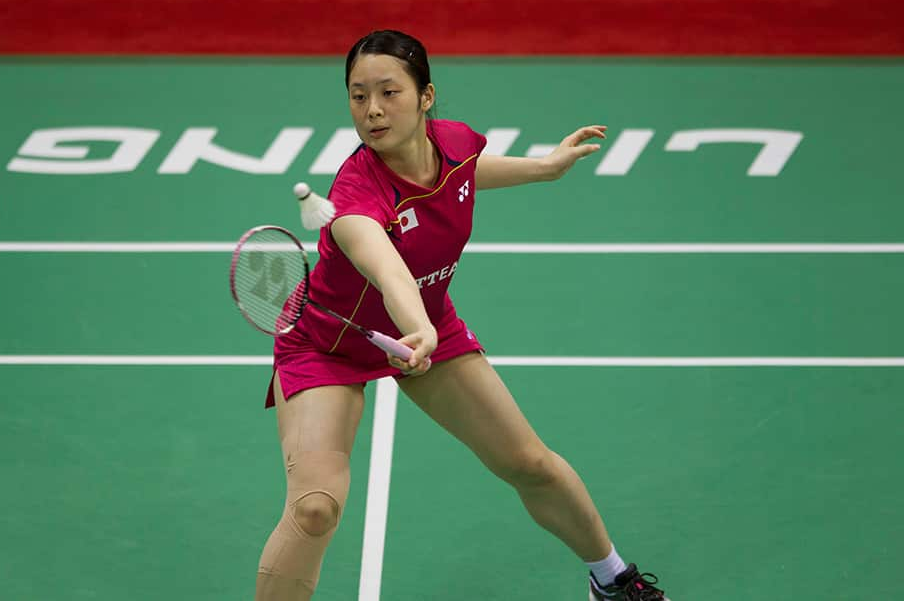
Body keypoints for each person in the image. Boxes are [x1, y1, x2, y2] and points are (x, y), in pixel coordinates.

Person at [255, 29, 670, 601]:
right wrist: (416, 326)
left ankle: (613, 579)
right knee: (316, 508)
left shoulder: (452, 143)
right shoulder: (355, 197)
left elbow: (466, 173)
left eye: (388, 92)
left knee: (530, 463)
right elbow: (388, 269)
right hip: (329, 343)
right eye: (357, 96)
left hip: (428, 326)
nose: (372, 110)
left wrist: (545, 168)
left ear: (426, 97)